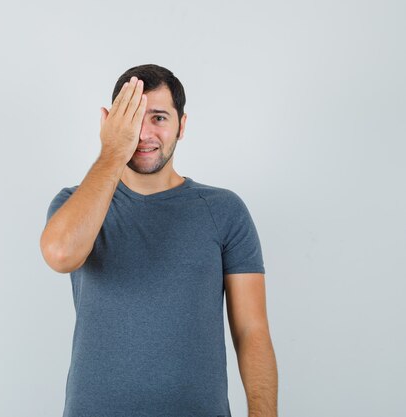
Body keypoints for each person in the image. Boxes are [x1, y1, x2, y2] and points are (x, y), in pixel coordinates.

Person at [40, 64, 278, 417]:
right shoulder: (74, 204)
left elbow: (251, 330)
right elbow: (60, 254)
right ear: (109, 123)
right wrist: (111, 152)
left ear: (182, 126)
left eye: (159, 118)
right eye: (132, 117)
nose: (144, 133)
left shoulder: (224, 210)